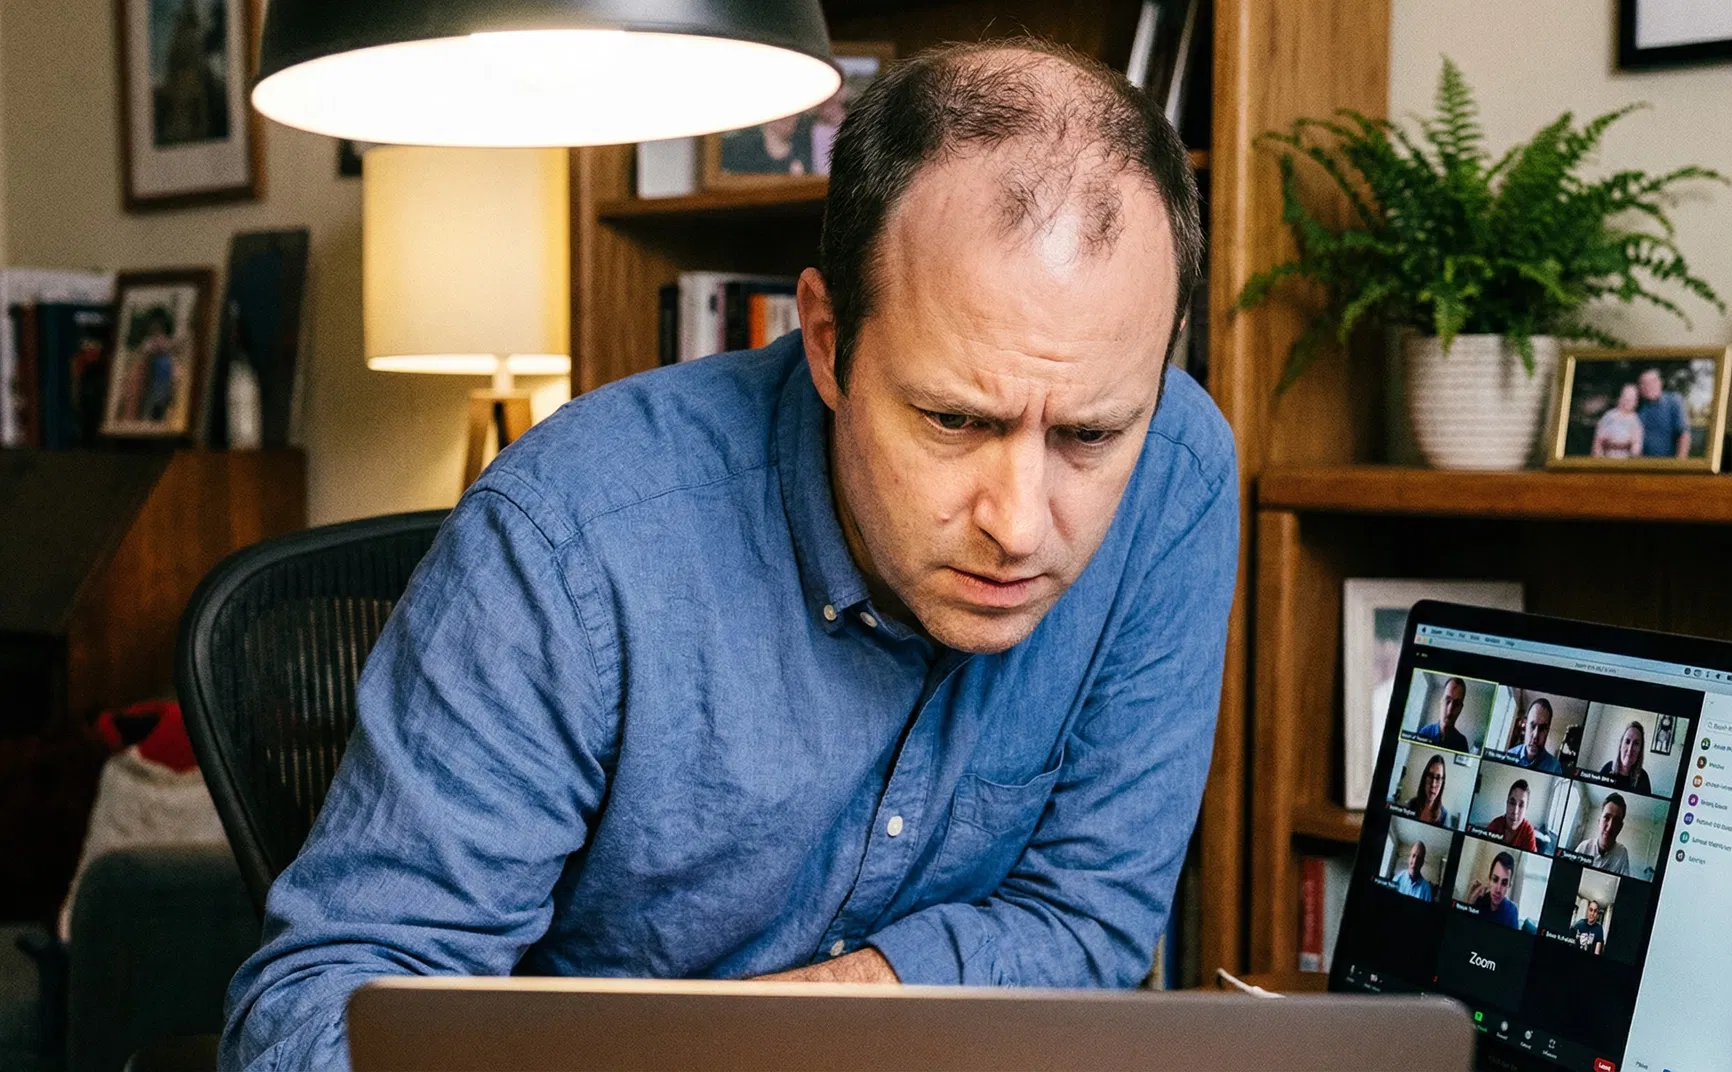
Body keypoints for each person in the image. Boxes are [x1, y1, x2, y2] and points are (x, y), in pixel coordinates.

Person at [223, 41, 1232, 1071]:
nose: (1020, 525)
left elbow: (1089, 918)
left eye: (1091, 436)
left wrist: (793, 1026)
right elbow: (320, 1018)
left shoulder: (1180, 477)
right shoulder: (568, 542)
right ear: (830, 341)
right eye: (953, 421)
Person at [1635, 368, 1690, 459]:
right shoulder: (1639, 408)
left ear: (1660, 383)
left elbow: (1684, 434)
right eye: (1643, 383)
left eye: (1652, 382)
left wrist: (1680, 463)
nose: (1647, 386)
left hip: (1669, 464)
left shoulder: (1674, 400)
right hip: (1644, 464)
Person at [1575, 793, 1633, 874]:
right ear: (1599, 822)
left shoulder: (1622, 853)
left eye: (1616, 821)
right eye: (1606, 818)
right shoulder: (1584, 847)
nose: (1609, 828)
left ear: (1620, 827)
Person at [1503, 698, 1563, 774]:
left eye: (1542, 729)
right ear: (1525, 724)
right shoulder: (1507, 756)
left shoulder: (1554, 767)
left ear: (1547, 731)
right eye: (1532, 726)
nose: (1535, 736)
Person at [1413, 677, 1472, 752]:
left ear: (1460, 709)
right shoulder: (1425, 731)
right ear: (1441, 702)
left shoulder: (1462, 742)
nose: (1450, 709)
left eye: (1456, 704)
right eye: (1447, 700)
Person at [1466, 852, 1520, 929]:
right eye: (1495, 880)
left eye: (1504, 883)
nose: (1498, 889)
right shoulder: (1479, 900)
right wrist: (1470, 904)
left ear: (1509, 886)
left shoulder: (1512, 912)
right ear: (1489, 880)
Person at [1597, 721, 1653, 794]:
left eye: (1636, 743)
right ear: (1620, 745)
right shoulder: (1607, 768)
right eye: (1627, 741)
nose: (1630, 749)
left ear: (1640, 750)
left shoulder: (1643, 778)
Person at [1485, 778, 1538, 851]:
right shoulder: (1495, 824)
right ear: (1507, 804)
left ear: (1526, 810)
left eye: (1521, 805)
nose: (1515, 811)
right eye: (1512, 803)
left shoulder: (1528, 832)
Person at [1591, 383, 1643, 458]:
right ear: (1619, 398)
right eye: (1625, 397)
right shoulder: (1608, 416)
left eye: (1632, 399)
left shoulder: (1636, 420)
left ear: (1636, 402)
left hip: (1626, 462)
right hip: (1606, 460)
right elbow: (1597, 443)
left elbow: (1636, 447)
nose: (1627, 402)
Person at [1402, 755, 1452, 827]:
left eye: (1438, 778)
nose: (1433, 784)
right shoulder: (1409, 804)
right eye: (1430, 776)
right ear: (1424, 778)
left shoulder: (1445, 817)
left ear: (1442, 783)